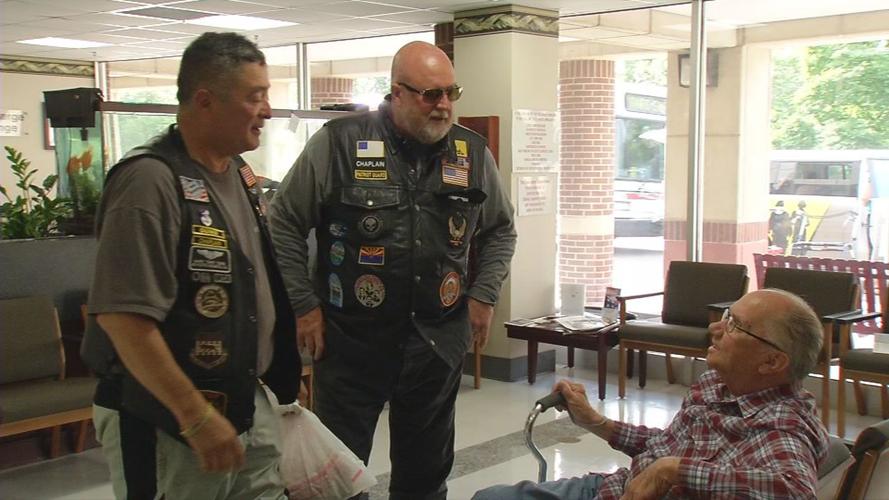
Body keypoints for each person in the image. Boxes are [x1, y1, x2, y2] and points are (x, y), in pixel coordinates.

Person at [268, 41, 517, 499]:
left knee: (425, 480)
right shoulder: (339, 143)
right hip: (350, 342)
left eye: (451, 93)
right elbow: (282, 221)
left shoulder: (471, 152)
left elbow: (500, 230)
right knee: (338, 480)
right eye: (431, 94)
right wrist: (304, 306)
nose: (444, 105)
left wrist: (483, 296)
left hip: (435, 343)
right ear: (397, 93)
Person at [82, 32, 301, 499]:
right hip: (167, 417)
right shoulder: (149, 182)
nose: (267, 111)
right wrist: (195, 416)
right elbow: (123, 318)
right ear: (205, 101)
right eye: (254, 97)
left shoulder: (239, 174)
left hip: (245, 401)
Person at [474, 289, 830, 500]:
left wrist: (674, 470)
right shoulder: (715, 385)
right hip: (613, 487)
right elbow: (669, 444)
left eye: (736, 325)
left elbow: (795, 491)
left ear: (772, 362)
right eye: (727, 315)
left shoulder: (781, 424)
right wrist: (596, 422)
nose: (715, 328)